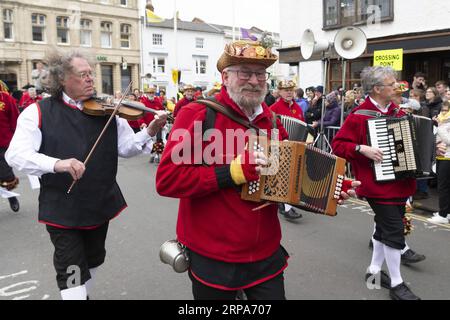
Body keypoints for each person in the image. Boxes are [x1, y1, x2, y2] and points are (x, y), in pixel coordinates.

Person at [155, 39, 359, 300]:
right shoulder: (197, 114)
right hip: (214, 255)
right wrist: (233, 172)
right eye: (245, 72)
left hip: (264, 252)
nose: (254, 80)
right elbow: (167, 180)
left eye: (260, 74)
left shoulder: (272, 121)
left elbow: (289, 184)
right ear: (225, 77)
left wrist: (330, 190)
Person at [5, 50, 167, 300]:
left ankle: (82, 293)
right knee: (71, 268)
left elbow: (125, 148)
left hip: (99, 204)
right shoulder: (37, 112)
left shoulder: (109, 110)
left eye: (91, 73)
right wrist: (58, 163)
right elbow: (15, 155)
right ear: (62, 80)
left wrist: (149, 131)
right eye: (83, 75)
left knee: (92, 261)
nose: (91, 79)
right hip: (61, 208)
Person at [332, 66, 420, 300]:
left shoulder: (399, 112)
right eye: (392, 84)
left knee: (383, 229)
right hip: (376, 185)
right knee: (394, 231)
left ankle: (373, 271)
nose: (397, 87)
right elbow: (338, 146)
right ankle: (397, 283)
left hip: (400, 183)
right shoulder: (359, 115)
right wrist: (362, 148)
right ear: (378, 89)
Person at [270, 79, 305, 220]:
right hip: (279, 147)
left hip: (296, 146)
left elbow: (303, 126)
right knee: (284, 175)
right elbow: (270, 130)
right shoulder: (273, 108)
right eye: (286, 90)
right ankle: (287, 207)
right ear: (279, 92)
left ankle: (284, 204)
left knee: (293, 175)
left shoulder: (298, 107)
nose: (289, 92)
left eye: (291, 89)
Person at [428, 100, 450, 224]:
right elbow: (437, 138)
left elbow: (448, 140)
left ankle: (442, 214)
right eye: (443, 110)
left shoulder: (445, 123)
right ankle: (447, 212)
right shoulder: (442, 122)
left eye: (446, 110)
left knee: (444, 187)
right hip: (442, 157)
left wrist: (440, 126)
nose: (443, 113)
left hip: (448, 158)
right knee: (446, 187)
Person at [0, 81, 20, 212]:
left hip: (3, 143)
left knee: (6, 174)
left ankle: (11, 196)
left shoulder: (5, 98)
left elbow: (15, 119)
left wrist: (17, 139)